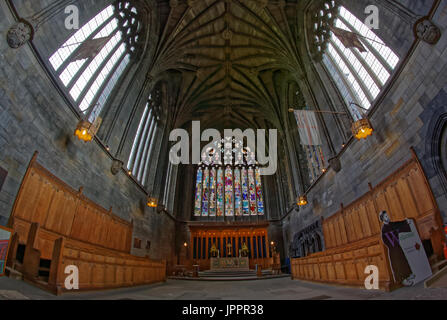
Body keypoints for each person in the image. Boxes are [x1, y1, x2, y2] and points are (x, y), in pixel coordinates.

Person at [379, 211, 416, 286]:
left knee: (403, 260)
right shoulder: (384, 229)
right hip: (393, 249)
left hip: (398, 247)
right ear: (382, 219)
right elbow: (385, 240)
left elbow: (398, 224)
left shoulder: (391, 224)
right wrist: (392, 245)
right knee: (398, 264)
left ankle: (408, 275)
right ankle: (403, 280)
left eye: (387, 215)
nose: (388, 217)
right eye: (386, 216)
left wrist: (406, 221)